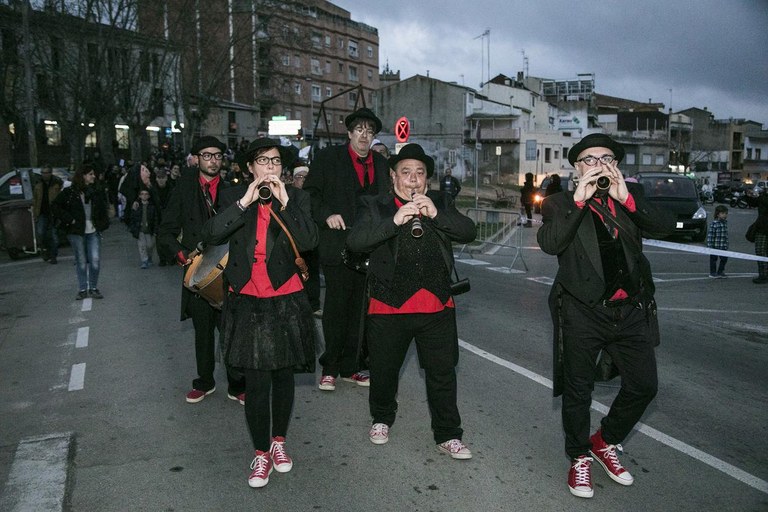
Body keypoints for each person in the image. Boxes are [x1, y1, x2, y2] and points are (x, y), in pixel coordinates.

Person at [537, 133, 675, 499]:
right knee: (578, 388)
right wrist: (580, 201)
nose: (598, 165)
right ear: (576, 168)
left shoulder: (631, 198)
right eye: (589, 159)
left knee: (645, 385)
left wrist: (626, 198)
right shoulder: (559, 203)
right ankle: (578, 455)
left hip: (629, 310)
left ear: (616, 165)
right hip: (583, 311)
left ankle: (606, 440)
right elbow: (551, 244)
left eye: (606, 158)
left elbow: (665, 225)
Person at [346, 143, 477, 460]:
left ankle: (448, 434)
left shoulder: (441, 202)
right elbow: (355, 241)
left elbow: (468, 231)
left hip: (436, 308)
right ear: (393, 177)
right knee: (384, 370)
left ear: (427, 180)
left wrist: (437, 215)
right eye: (406, 173)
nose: (413, 180)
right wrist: (393, 221)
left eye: (420, 173)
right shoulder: (375, 205)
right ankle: (381, 417)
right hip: (389, 306)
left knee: (443, 373)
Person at [200, 137, 317, 488]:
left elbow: (310, 242)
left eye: (276, 161)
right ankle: (260, 453)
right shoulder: (234, 198)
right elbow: (211, 233)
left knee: (282, 374)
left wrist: (285, 203)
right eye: (263, 161)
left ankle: (279, 442)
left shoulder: (296, 198)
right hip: (248, 298)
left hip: (286, 297)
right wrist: (244, 201)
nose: (270, 168)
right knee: (256, 380)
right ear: (250, 167)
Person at [303, 107, 390, 391]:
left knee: (361, 310)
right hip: (337, 244)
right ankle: (330, 367)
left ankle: (352, 367)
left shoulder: (379, 164)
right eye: (360, 130)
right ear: (349, 133)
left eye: (370, 131)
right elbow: (311, 195)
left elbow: (385, 201)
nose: (364, 136)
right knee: (337, 307)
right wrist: (327, 214)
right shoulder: (329, 158)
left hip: (368, 247)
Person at [158, 135, 246, 404]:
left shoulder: (236, 189)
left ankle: (237, 385)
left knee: (231, 330)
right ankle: (204, 381)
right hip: (197, 273)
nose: (213, 160)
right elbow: (165, 231)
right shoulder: (184, 188)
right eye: (207, 155)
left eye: (217, 155)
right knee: (203, 332)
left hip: (229, 271)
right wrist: (181, 255)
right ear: (197, 159)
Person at [52, 165, 110, 300]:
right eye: (90, 174)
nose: (93, 176)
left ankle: (94, 287)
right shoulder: (70, 192)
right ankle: (83, 289)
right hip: (76, 231)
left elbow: (102, 209)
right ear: (83, 176)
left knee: (95, 260)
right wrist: (69, 219)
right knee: (81, 261)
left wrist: (102, 224)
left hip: (93, 230)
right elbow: (55, 206)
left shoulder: (95, 191)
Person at [291, 165, 321, 314]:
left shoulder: (313, 196)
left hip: (310, 242)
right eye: (299, 177)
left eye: (305, 177)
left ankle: (314, 305)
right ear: (293, 180)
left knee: (312, 272)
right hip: (293, 242)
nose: (302, 180)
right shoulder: (289, 195)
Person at [33, 165, 63, 264]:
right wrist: (35, 214)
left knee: (54, 236)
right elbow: (36, 199)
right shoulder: (38, 183)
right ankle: (45, 251)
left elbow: (61, 198)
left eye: (46, 172)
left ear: (50, 173)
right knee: (41, 233)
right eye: (43, 173)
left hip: (54, 213)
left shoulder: (57, 183)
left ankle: (53, 255)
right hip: (42, 213)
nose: (44, 175)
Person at [130, 189, 160, 269]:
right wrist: (133, 228)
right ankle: (144, 260)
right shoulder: (137, 206)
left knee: (150, 245)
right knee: (142, 246)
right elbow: (132, 217)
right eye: (142, 194)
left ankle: (149, 257)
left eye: (146, 194)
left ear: (149, 196)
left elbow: (155, 219)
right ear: (139, 196)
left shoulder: (152, 207)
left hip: (149, 229)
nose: (144, 196)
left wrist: (155, 230)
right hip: (140, 229)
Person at [706, 205, 729, 278]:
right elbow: (710, 235)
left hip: (723, 246)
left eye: (726, 213)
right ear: (718, 214)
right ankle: (712, 273)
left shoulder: (725, 223)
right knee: (713, 260)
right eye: (723, 213)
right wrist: (710, 246)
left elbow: (726, 235)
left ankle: (720, 271)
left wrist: (726, 244)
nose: (725, 215)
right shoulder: (714, 223)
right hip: (715, 246)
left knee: (724, 259)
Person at [753, 192, 768, 284]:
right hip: (762, 228)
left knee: (761, 252)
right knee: (760, 252)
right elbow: (753, 203)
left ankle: (764, 275)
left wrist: (761, 197)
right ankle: (763, 274)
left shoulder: (764, 197)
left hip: (763, 228)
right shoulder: (763, 196)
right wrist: (749, 196)